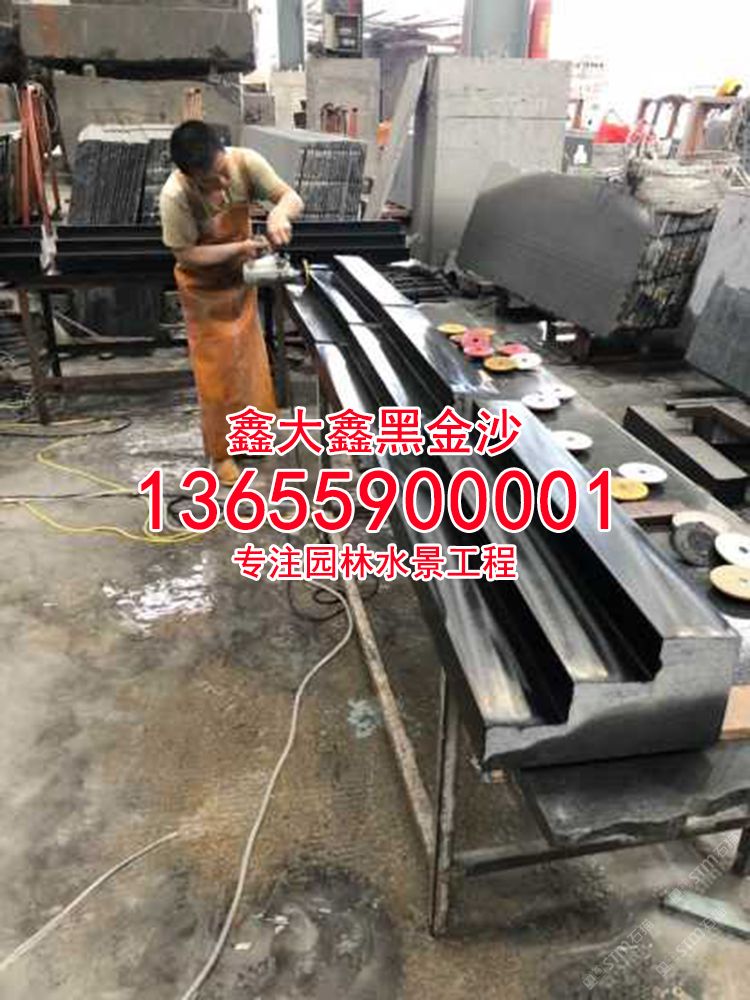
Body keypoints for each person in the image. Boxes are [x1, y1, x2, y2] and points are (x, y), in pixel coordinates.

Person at [159, 120, 304, 485]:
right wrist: (239, 248)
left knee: (249, 362)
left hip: (240, 281)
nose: (224, 183)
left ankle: (250, 435)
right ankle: (221, 452)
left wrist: (279, 213)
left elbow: (291, 197)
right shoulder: (175, 196)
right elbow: (186, 254)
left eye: (223, 171)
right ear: (191, 175)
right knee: (217, 373)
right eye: (212, 180)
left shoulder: (245, 161)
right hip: (203, 290)